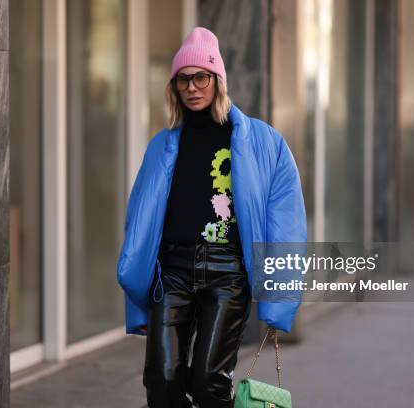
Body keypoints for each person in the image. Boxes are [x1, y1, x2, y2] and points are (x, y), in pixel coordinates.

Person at [117, 26, 307, 408]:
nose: (192, 87)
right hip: (171, 271)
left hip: (227, 274)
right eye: (183, 79)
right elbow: (139, 219)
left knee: (208, 384)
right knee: (163, 381)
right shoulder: (162, 144)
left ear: (217, 80)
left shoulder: (264, 142)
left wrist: (279, 297)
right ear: (174, 87)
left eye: (200, 76)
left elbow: (285, 221)